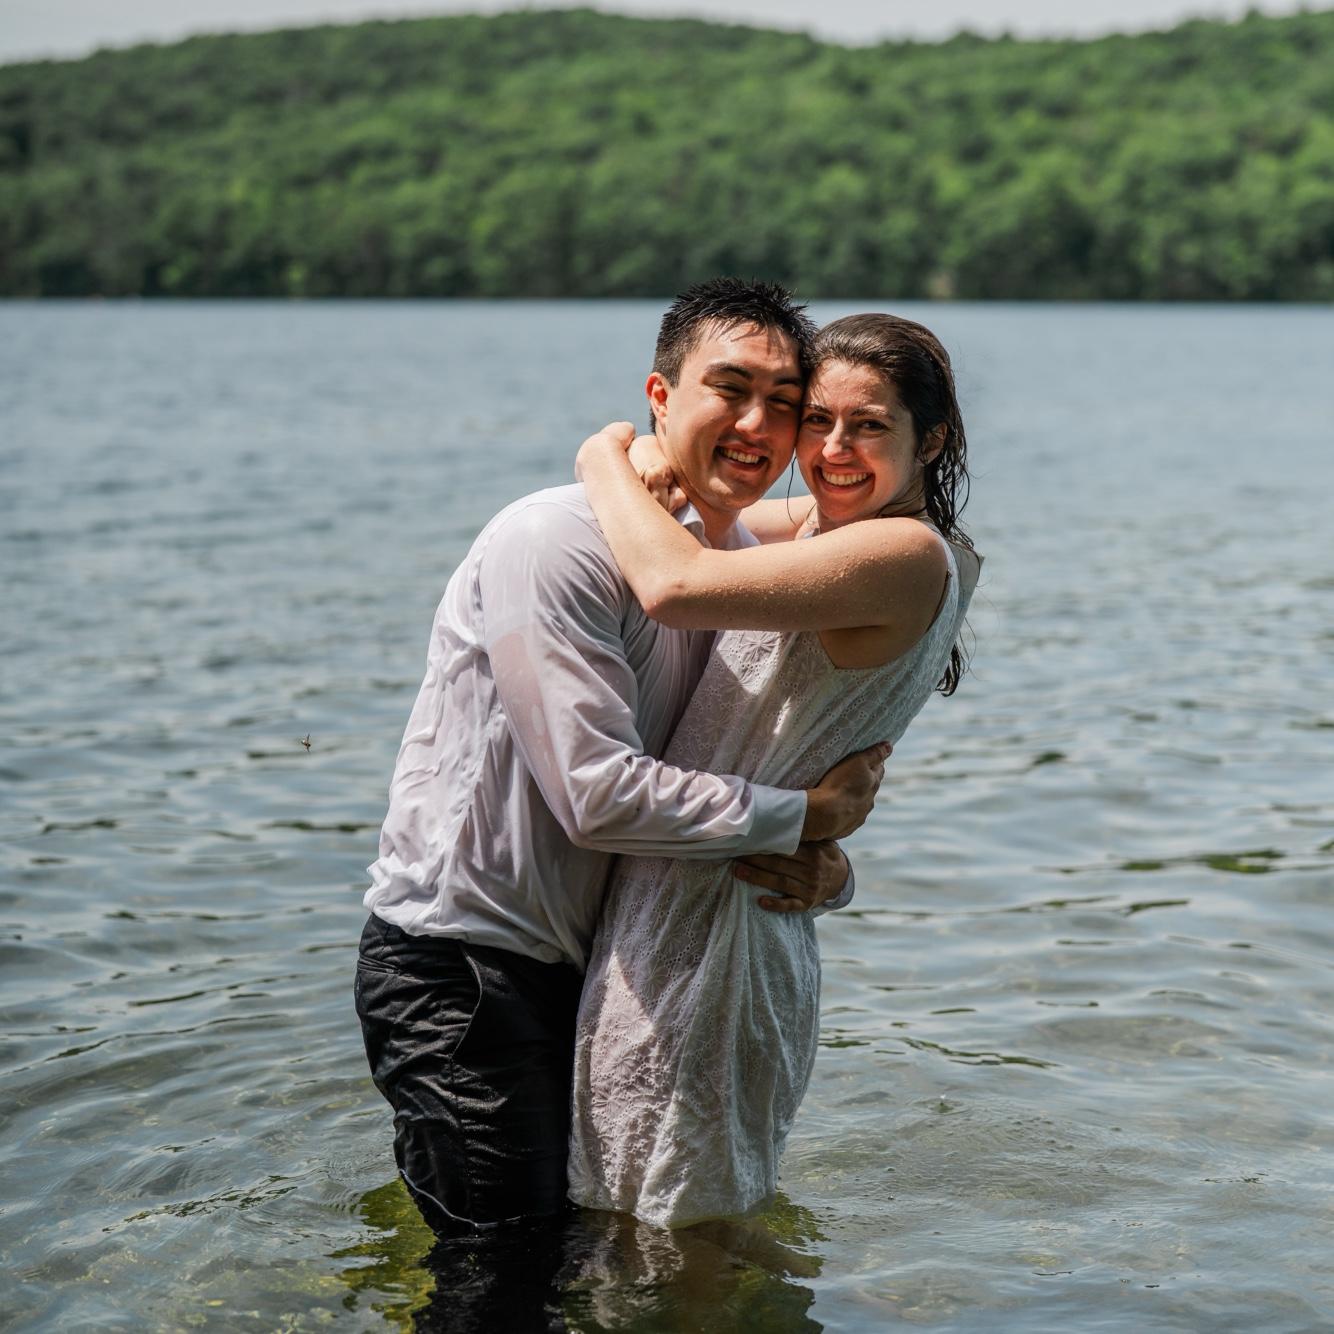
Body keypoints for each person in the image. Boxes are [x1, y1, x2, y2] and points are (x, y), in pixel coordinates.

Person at [354, 280, 892, 1241]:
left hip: (607, 966)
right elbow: (597, 797)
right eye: (730, 389)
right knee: (499, 1275)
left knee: (590, 1253)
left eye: (785, 404)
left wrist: (824, 867)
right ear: (660, 395)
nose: (758, 424)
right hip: (467, 965)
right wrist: (805, 816)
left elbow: (733, 748)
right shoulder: (552, 540)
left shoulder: (724, 558)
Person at [567, 312, 982, 1228]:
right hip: (711, 902)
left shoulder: (901, 551)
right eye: (815, 418)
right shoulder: (829, 529)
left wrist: (604, 452)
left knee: (681, 1240)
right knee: (644, 1229)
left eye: (869, 426)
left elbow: (672, 582)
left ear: (933, 438)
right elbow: (698, 518)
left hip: (725, 937)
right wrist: (660, 468)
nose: (833, 449)